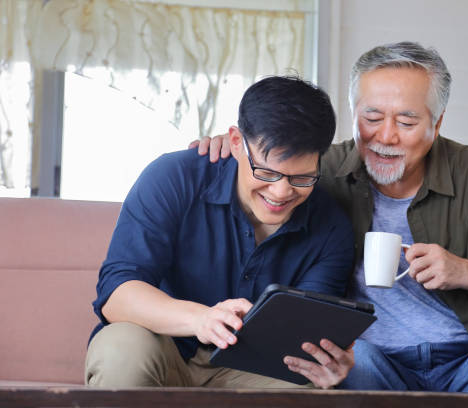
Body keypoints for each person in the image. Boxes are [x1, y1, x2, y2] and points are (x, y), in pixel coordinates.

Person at [197, 42, 468, 395]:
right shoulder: (319, 173)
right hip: (369, 358)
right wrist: (235, 152)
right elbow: (265, 171)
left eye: (407, 123)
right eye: (372, 117)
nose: (386, 136)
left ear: (437, 123)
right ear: (352, 113)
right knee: (351, 362)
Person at [85, 76, 356, 389]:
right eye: (266, 172)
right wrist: (200, 319)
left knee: (307, 390)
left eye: (302, 178)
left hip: (253, 368)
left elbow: (304, 340)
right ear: (237, 142)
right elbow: (117, 294)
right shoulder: (174, 178)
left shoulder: (332, 225)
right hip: (161, 345)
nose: (281, 192)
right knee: (120, 351)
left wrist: (326, 363)